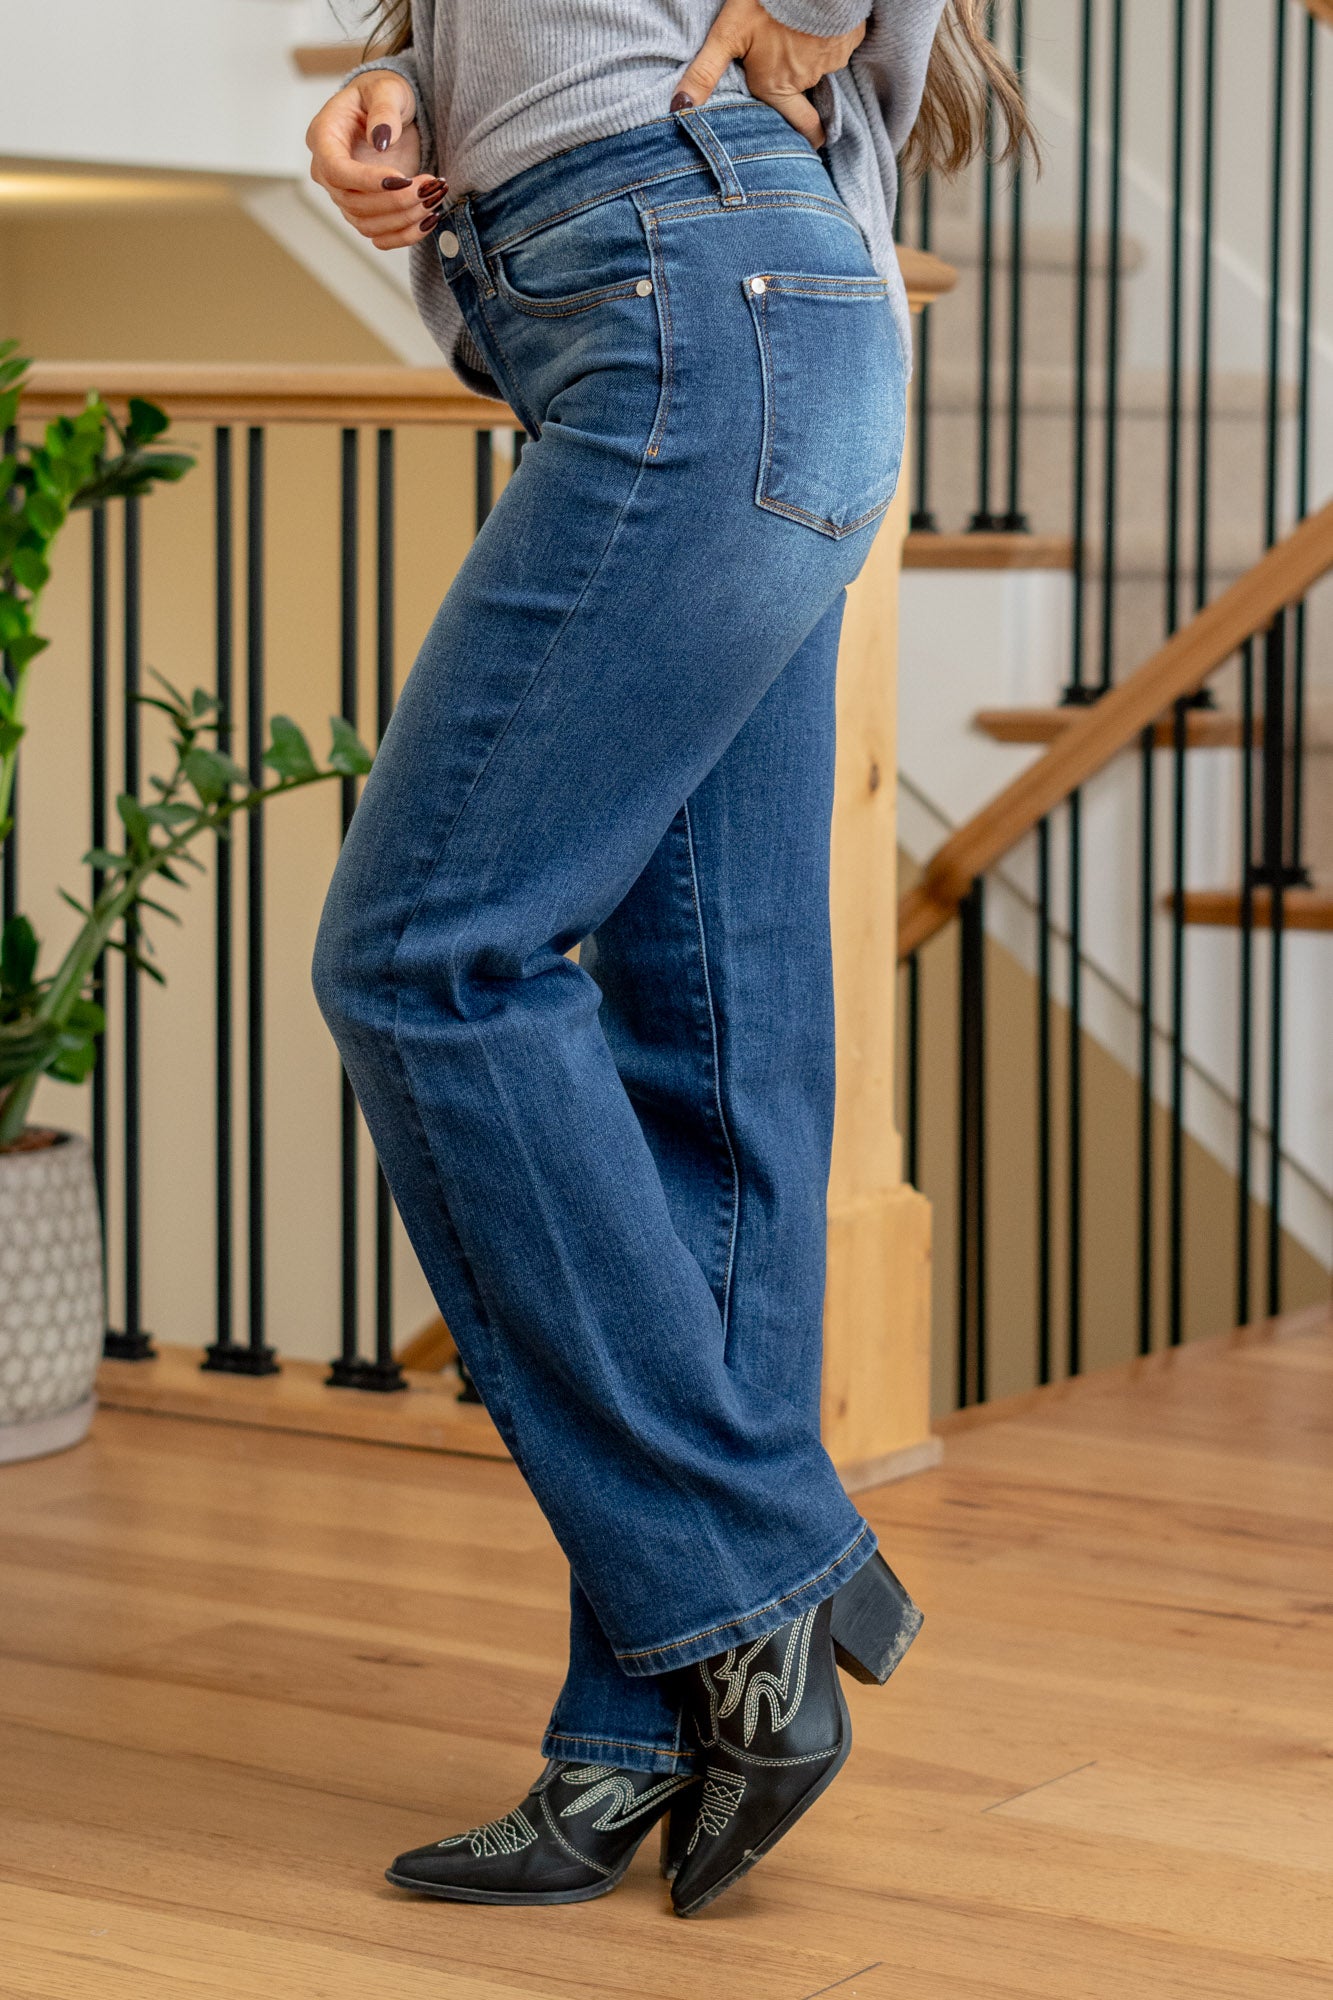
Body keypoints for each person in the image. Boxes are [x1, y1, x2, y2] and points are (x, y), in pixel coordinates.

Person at [307, 0, 1029, 1918]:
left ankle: (761, 1570)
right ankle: (648, 1728)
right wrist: (412, 80)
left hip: (689, 296)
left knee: (424, 959)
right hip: (713, 310)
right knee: (709, 1058)